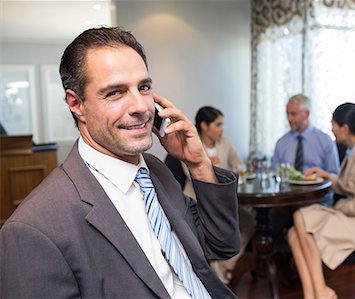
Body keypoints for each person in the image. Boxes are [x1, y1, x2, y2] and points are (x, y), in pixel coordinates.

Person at [0, 27, 240, 299]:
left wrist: (198, 164)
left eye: (144, 87)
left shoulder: (155, 170)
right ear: (76, 103)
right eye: (115, 92)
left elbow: (221, 246)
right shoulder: (32, 230)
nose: (141, 107)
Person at [287, 102, 355, 299]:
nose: (331, 129)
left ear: (345, 128)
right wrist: (326, 175)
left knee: (300, 219)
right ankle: (314, 293)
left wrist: (337, 207)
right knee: (294, 232)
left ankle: (319, 291)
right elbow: (349, 185)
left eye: (334, 125)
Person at [182, 106, 255, 284]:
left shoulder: (225, 143)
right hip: (196, 202)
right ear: (204, 126)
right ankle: (214, 267)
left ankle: (224, 263)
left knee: (248, 222)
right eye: (218, 124)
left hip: (223, 203)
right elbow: (193, 177)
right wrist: (210, 168)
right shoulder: (191, 145)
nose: (222, 129)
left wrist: (234, 170)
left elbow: (239, 166)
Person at [270, 94, 340, 234]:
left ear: (306, 114)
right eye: (287, 114)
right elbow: (274, 175)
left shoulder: (325, 141)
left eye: (293, 114)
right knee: (265, 222)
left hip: (316, 203)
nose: (289, 119)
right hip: (285, 204)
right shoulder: (281, 143)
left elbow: (334, 176)